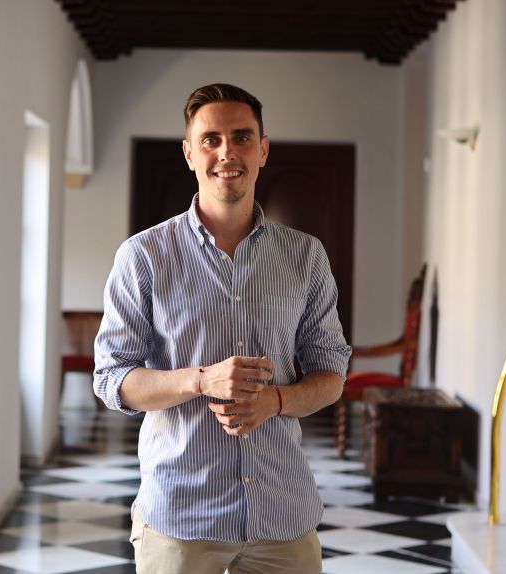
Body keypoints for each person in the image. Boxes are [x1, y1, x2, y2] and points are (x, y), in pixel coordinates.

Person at [93, 83, 351, 574]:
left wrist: (276, 401)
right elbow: (111, 380)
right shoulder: (143, 257)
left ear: (263, 150)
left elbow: (331, 373)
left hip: (283, 515)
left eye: (242, 137)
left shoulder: (306, 256)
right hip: (180, 517)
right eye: (210, 139)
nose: (227, 152)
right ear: (190, 154)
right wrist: (200, 379)